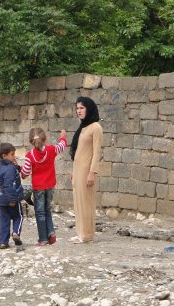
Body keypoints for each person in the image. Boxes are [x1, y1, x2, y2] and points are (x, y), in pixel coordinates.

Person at [20, 128, 67, 246]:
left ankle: (43, 238)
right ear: (45, 139)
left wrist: (20, 171)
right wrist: (63, 136)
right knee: (47, 210)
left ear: (31, 142)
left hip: (38, 187)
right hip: (50, 185)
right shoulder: (51, 150)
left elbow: (25, 173)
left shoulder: (29, 156)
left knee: (40, 212)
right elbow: (62, 145)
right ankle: (51, 233)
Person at [69, 96, 103, 244]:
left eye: (82, 108)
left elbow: (97, 152)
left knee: (87, 202)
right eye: (77, 108)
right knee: (78, 201)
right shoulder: (82, 127)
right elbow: (78, 151)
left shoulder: (95, 127)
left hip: (87, 170)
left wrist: (92, 173)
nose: (79, 111)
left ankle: (87, 235)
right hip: (78, 169)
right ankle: (80, 233)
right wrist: (73, 171)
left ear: (88, 109)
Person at [0, 142, 24, 249]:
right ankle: (16, 232)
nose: (14, 156)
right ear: (4, 156)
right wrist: (12, 199)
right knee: (18, 216)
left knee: (4, 220)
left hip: (1, 199)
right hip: (12, 198)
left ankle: (3, 242)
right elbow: (9, 184)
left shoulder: (0, 166)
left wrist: (16, 166)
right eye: (12, 154)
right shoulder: (10, 169)